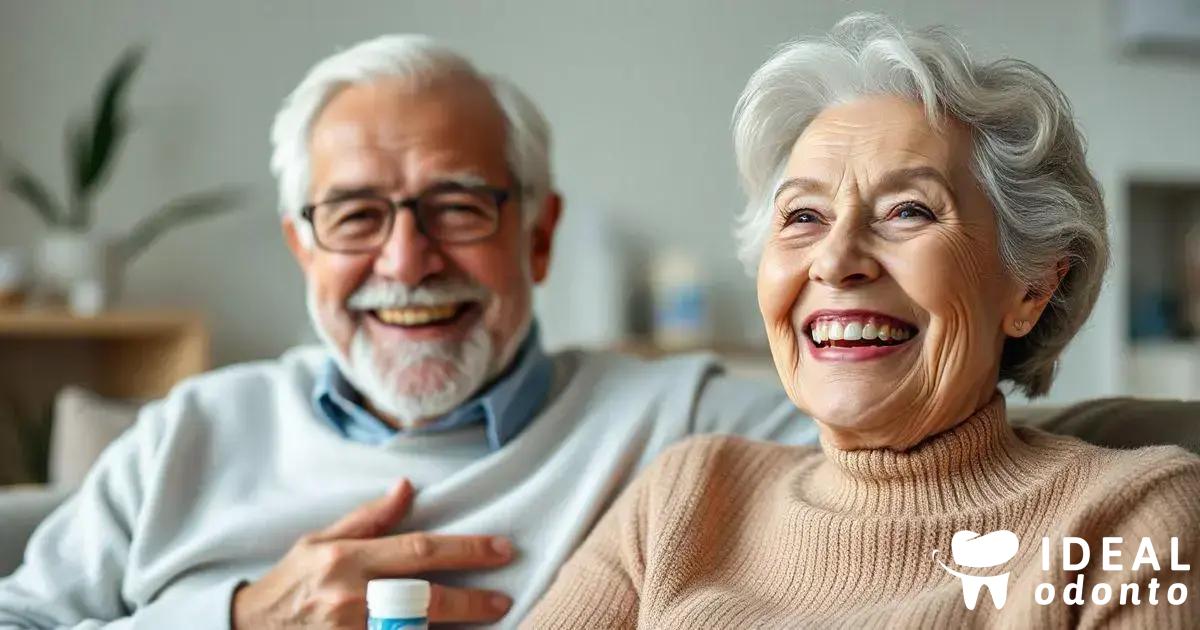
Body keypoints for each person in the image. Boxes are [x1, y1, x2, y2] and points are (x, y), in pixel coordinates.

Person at [0, 35, 818, 629]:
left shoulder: (685, 424)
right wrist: (239, 619)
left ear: (537, 236)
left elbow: (931, 472)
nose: (407, 259)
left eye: (458, 207)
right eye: (356, 215)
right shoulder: (187, 432)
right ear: (303, 246)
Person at [525, 14, 1200, 629]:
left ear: (1031, 288)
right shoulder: (684, 496)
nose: (836, 260)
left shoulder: (1132, 523)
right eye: (803, 217)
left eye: (909, 210)